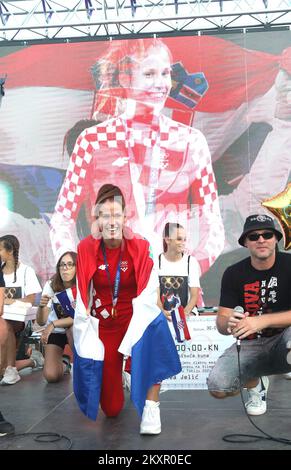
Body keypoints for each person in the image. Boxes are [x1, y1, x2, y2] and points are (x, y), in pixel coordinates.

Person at [50, 38, 224, 276]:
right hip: (112, 282)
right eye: (149, 74)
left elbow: (212, 222)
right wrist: (74, 267)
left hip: (171, 284)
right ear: (125, 78)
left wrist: (189, 269)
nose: (161, 83)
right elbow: (62, 218)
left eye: (165, 73)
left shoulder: (191, 141)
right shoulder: (93, 140)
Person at [73, 184, 181, 434]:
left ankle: (152, 405)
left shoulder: (140, 246)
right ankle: (122, 375)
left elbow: (149, 290)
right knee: (111, 409)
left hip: (135, 321)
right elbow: (81, 294)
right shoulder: (86, 248)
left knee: (156, 327)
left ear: (125, 216)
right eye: (105, 215)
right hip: (106, 326)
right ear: (97, 218)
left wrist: (155, 315)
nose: (111, 221)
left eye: (116, 214)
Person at [207, 214, 291, 416]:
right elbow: (221, 323)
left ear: (276, 239)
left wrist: (262, 321)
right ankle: (256, 383)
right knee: (219, 388)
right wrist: (230, 323)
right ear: (245, 242)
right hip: (250, 343)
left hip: (285, 338)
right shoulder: (233, 273)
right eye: (253, 236)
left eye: (267, 234)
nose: (261, 239)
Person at [0, 235, 42, 385]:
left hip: (20, 321)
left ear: (10, 251)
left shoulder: (26, 271)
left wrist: (9, 301)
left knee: (5, 324)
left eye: (0, 249)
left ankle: (11, 368)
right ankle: (31, 362)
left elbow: (31, 300)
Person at [36, 251, 76, 383]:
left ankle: (81, 367)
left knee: (71, 329)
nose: (65, 268)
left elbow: (78, 317)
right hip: (56, 332)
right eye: (62, 265)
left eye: (70, 265)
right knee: (51, 376)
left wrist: (52, 324)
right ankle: (65, 363)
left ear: (77, 267)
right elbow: (41, 321)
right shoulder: (51, 284)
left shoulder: (82, 285)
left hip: (76, 330)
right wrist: (41, 307)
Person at [157, 222, 201, 322]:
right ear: (167, 239)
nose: (183, 242)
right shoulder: (157, 262)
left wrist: (184, 314)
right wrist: (163, 312)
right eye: (179, 239)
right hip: (163, 316)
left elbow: (194, 295)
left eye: (184, 239)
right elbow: (156, 295)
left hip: (187, 316)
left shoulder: (191, 262)